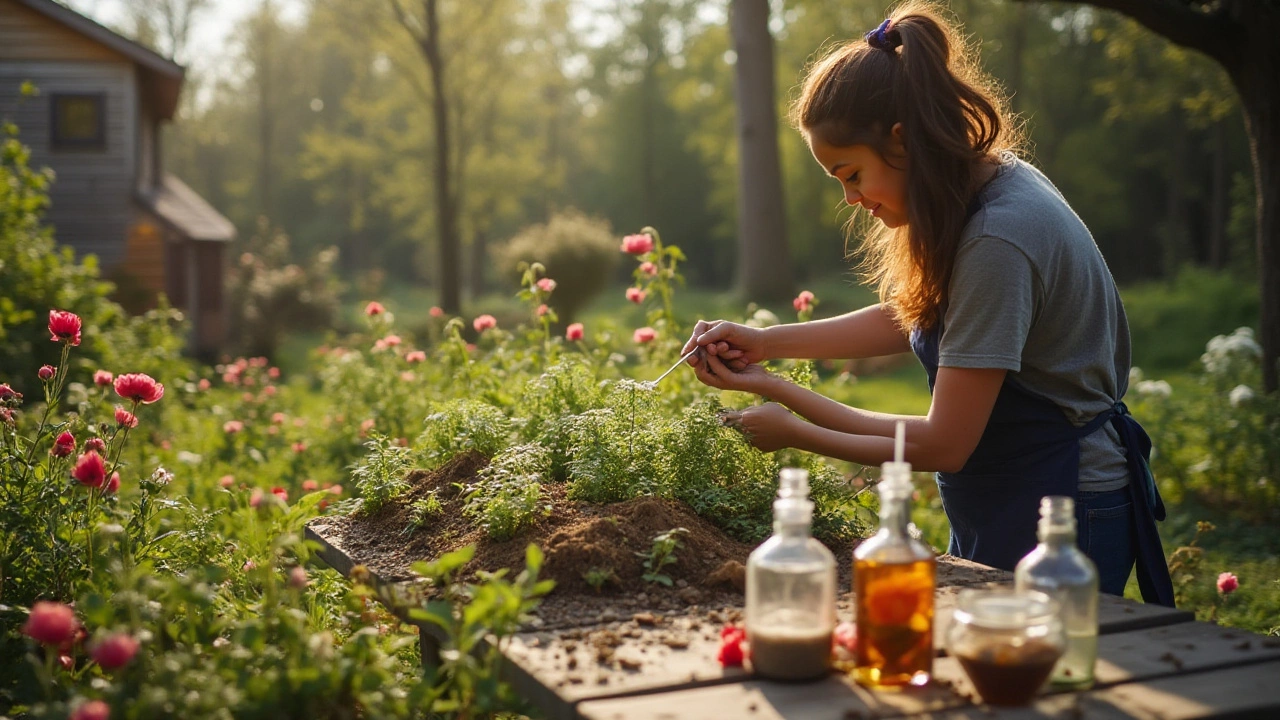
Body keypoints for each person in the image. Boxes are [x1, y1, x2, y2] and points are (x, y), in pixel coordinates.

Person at [683, 1, 1174, 605]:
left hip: (1066, 512)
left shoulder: (998, 236)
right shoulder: (979, 184)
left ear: (902, 141)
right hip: (1013, 493)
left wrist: (789, 418)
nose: (850, 198)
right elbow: (919, 314)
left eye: (851, 174)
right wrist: (767, 343)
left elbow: (944, 442)